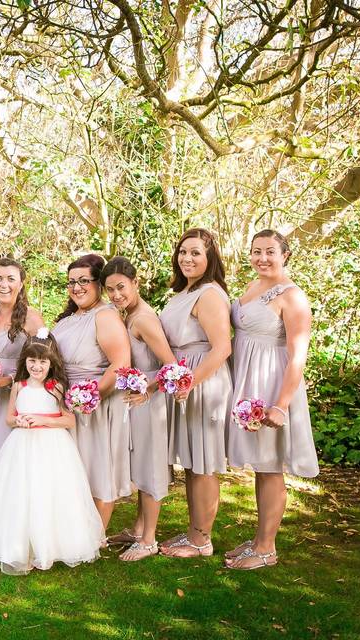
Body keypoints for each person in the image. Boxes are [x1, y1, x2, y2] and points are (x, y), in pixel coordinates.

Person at [225, 230, 319, 570]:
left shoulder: (293, 297)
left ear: (285, 255)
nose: (262, 258)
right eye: (256, 251)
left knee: (270, 468)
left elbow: (298, 356)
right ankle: (258, 539)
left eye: (269, 252)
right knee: (260, 468)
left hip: (271, 385)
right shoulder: (253, 287)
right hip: (247, 381)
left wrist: (281, 404)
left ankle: (267, 549)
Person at [0, 330, 105, 574]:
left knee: (49, 492)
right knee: (23, 492)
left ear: (51, 363)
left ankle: (52, 546)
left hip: (52, 447)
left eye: (42, 361)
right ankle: (21, 545)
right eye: (32, 361)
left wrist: (41, 420)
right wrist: (20, 422)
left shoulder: (56, 387)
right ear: (24, 362)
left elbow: (69, 420)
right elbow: (9, 418)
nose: (36, 366)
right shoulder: (18, 386)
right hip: (22, 446)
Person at [158, 228, 233, 559]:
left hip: (204, 379)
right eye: (183, 252)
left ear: (210, 258)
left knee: (203, 462)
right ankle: (193, 531)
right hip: (184, 375)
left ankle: (202, 540)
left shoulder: (210, 295)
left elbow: (222, 348)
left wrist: (191, 381)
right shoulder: (186, 291)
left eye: (196, 253)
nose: (187, 258)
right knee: (191, 461)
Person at [101, 257, 177, 561]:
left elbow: (170, 366)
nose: (116, 294)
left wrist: (149, 388)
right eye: (110, 289)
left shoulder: (143, 319)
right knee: (140, 465)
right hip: (134, 402)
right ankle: (137, 528)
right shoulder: (128, 315)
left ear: (135, 283)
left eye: (121, 287)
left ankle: (149, 540)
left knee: (151, 468)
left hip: (149, 403)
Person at [51, 254, 131, 532]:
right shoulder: (67, 320)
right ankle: (73, 531)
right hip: (66, 401)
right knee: (73, 467)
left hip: (95, 403)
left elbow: (121, 363)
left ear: (99, 283)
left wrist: (89, 396)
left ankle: (96, 535)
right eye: (72, 282)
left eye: (84, 281)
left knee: (98, 466)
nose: (77, 287)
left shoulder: (105, 315)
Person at [0, 258, 45, 474]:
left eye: (11, 279)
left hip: (13, 396)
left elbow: (44, 363)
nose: (4, 285)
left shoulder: (31, 318)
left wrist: (6, 380)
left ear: (21, 284)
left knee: (7, 463)